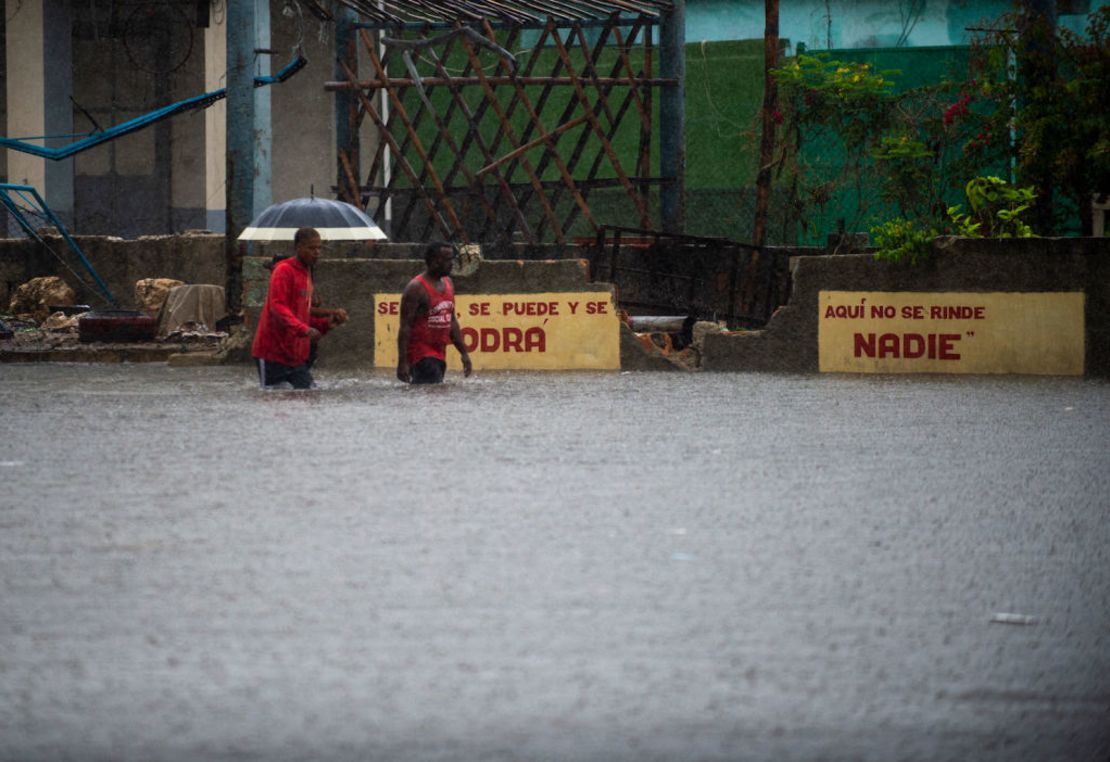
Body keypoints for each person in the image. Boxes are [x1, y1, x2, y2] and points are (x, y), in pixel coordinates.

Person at [251, 227, 348, 389]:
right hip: (272, 353)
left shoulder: (306, 274)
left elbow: (303, 313)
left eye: (319, 248)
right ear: (298, 248)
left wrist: (325, 325)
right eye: (311, 248)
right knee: (277, 400)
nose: (316, 252)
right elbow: (277, 307)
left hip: (294, 356)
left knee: (309, 394)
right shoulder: (284, 271)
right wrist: (303, 329)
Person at [396, 241, 472, 384]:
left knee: (432, 395)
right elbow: (405, 327)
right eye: (448, 259)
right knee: (434, 397)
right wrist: (402, 362)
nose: (452, 263)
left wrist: (464, 353)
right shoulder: (416, 288)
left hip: (439, 354)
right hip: (421, 355)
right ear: (435, 261)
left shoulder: (448, 283)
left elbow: (451, 321)